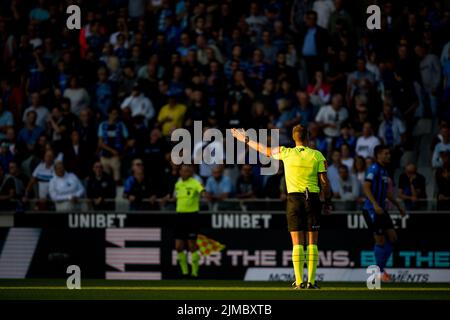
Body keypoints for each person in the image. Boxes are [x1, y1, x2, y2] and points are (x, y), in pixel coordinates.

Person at [231, 124, 332, 289]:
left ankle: (299, 282)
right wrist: (327, 202)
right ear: (308, 137)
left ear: (294, 138)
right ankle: (311, 282)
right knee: (312, 242)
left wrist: (244, 138)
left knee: (297, 243)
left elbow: (263, 149)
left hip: (293, 200)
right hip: (312, 199)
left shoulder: (286, 152)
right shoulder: (317, 155)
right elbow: (325, 182)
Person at [362, 145, 406, 282]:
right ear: (378, 155)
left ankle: (379, 270)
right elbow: (366, 187)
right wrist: (375, 204)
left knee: (393, 238)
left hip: (382, 209)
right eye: (385, 153)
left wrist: (398, 205)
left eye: (389, 153)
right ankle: (379, 273)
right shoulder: (374, 169)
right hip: (371, 209)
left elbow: (386, 191)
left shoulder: (384, 171)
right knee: (380, 241)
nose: (388, 155)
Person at [174, 164, 205, 278]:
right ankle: (184, 271)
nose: (185, 173)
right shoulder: (178, 184)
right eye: (183, 171)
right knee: (178, 246)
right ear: (180, 172)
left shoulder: (195, 183)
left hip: (192, 216)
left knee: (192, 245)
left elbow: (202, 190)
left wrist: (204, 193)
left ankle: (194, 272)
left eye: (188, 171)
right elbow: (176, 197)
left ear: (191, 173)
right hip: (180, 216)